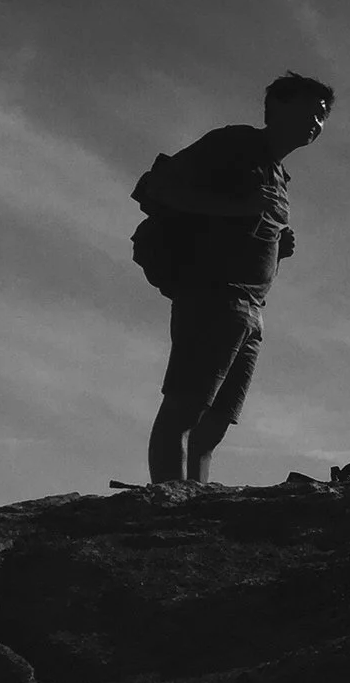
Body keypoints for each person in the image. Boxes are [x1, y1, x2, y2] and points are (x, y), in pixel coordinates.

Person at [136, 71, 335, 483]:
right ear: (277, 106)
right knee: (184, 410)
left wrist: (278, 252)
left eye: (322, 117)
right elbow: (159, 187)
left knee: (215, 425)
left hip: (252, 309)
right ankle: (168, 509)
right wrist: (234, 207)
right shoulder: (234, 144)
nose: (317, 123)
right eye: (310, 110)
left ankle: (195, 502)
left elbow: (247, 227)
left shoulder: (279, 175)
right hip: (213, 296)